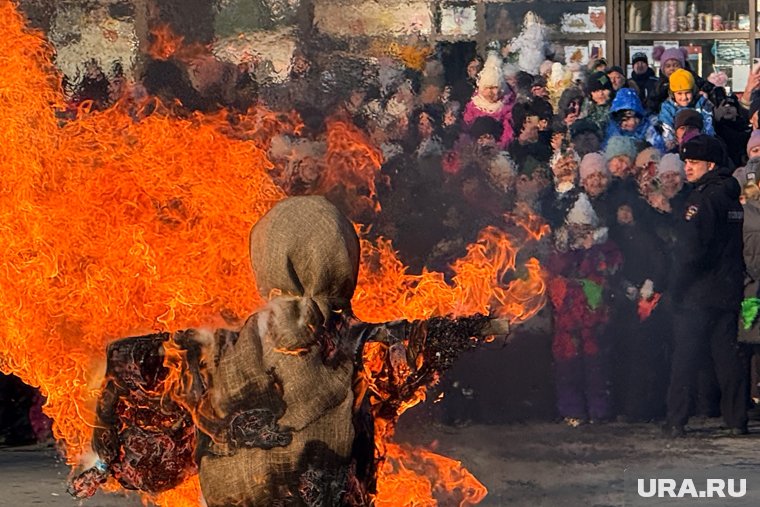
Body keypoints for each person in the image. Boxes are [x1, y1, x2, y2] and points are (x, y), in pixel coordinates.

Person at [664, 134, 750, 437]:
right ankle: (737, 418)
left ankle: (676, 419)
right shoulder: (729, 197)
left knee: (685, 358)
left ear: (709, 164)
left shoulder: (703, 200)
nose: (688, 168)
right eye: (686, 162)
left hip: (698, 293)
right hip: (727, 289)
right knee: (727, 356)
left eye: (693, 162)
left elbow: (691, 251)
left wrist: (675, 287)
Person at [659, 69, 715, 150]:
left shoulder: (702, 103)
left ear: (693, 91)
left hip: (700, 143)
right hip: (677, 145)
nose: (684, 97)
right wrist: (671, 144)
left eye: (687, 93)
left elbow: (708, 124)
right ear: (672, 94)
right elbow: (667, 128)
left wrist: (706, 141)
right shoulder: (668, 107)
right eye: (679, 93)